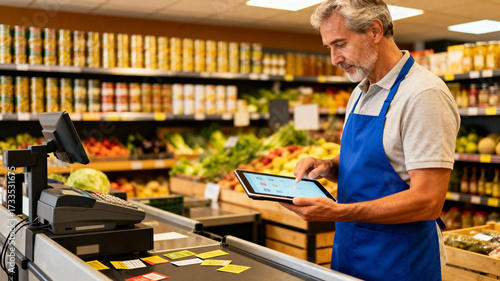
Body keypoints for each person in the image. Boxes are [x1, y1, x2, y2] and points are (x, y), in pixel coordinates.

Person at [279, 0, 460, 280]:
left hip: (400, 261)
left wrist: (338, 211)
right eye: (329, 48)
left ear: (375, 31)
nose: (334, 59)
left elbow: (428, 200)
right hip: (350, 251)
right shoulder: (361, 91)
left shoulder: (424, 95)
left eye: (340, 44)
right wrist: (328, 166)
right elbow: (375, 163)